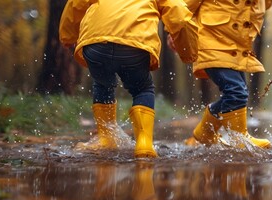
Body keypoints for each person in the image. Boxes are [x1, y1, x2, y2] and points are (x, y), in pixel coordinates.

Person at [59, 0, 198, 158]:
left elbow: (75, 4)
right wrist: (188, 51)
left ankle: (106, 139)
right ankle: (144, 144)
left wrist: (67, 35)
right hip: (136, 42)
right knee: (142, 88)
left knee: (102, 85)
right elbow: (179, 13)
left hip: (95, 41)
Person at [173, 0, 272, 149]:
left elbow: (266, 4)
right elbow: (183, 8)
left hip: (237, 50)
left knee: (235, 93)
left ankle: (204, 131)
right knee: (237, 92)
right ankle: (239, 139)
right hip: (212, 46)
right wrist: (176, 31)